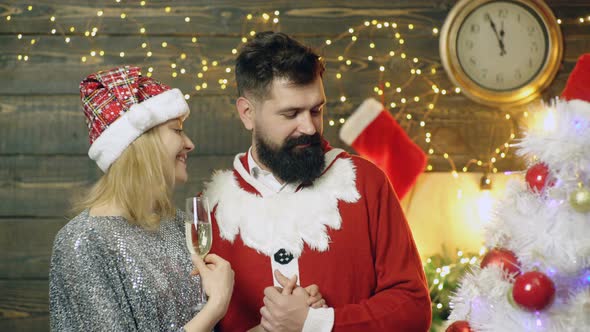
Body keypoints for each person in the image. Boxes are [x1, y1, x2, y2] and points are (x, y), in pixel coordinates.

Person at [204, 31, 432, 331]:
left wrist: (317, 323)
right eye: (291, 114)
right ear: (248, 113)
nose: (310, 127)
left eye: (316, 110)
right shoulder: (211, 209)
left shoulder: (366, 183)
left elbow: (413, 308)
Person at [49, 66, 235, 332]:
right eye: (177, 130)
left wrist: (275, 323)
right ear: (140, 142)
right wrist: (216, 307)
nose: (190, 143)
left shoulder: (179, 227)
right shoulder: (82, 242)